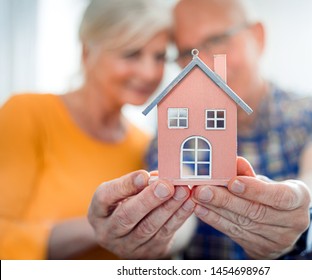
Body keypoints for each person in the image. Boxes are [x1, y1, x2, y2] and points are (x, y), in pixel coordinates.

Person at [88, 0, 312, 259]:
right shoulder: (168, 135)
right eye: (187, 53)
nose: (205, 65)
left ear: (257, 37)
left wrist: (305, 212)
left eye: (217, 40)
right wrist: (153, 235)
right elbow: (179, 207)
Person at [0, 0, 188, 259]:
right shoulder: (27, 113)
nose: (149, 72)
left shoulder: (144, 145)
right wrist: (99, 227)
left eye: (159, 57)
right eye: (132, 53)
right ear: (88, 52)